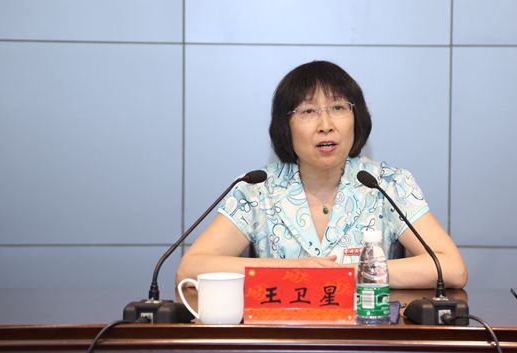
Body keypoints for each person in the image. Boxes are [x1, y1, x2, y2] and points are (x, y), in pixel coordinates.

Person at [176, 60, 467, 289]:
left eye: (338, 107)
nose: (326, 125)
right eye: (308, 111)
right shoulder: (256, 189)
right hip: (282, 338)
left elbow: (451, 268)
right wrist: (295, 270)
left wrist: (349, 275)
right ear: (285, 126)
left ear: (356, 118)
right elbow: (190, 269)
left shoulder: (387, 184)